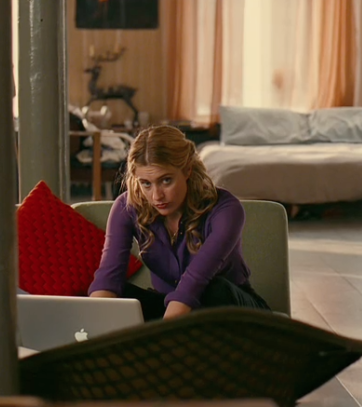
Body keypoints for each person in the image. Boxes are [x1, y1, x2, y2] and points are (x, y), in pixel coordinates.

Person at [88, 125, 271, 320]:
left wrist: (163, 335)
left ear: (187, 170)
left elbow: (194, 283)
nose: (157, 196)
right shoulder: (126, 207)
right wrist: (94, 324)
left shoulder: (226, 209)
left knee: (215, 289)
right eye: (146, 183)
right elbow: (109, 276)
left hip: (231, 310)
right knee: (115, 296)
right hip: (170, 306)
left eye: (166, 180)